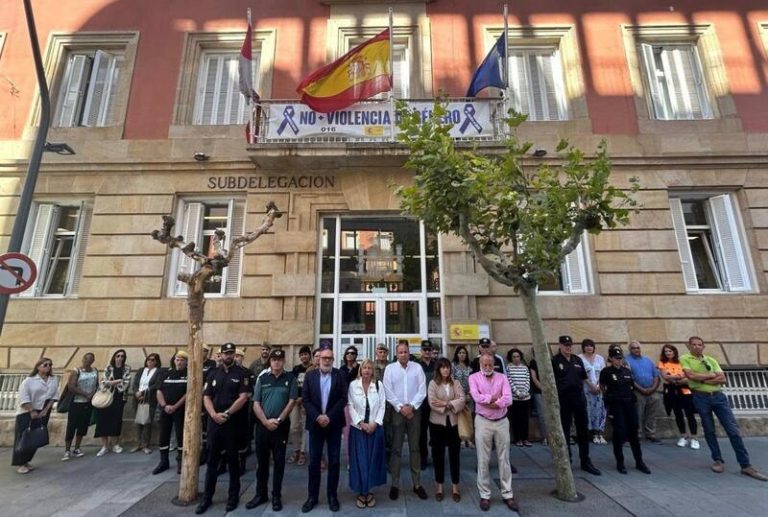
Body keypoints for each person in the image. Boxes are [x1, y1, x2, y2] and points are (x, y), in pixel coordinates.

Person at [680, 336, 767, 481]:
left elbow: (723, 379)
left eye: (699, 344)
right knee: (709, 429)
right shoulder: (685, 358)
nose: (697, 347)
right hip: (701, 397)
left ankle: (745, 465)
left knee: (733, 430)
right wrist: (711, 376)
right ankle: (718, 460)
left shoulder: (711, 360)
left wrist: (701, 377)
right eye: (693, 344)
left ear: (703, 346)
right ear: (689, 346)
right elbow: (690, 376)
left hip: (719, 397)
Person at [196, 343, 251, 514]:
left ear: (235, 355)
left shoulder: (241, 374)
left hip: (231, 423)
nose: (228, 356)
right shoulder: (213, 373)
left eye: (231, 353)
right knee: (212, 461)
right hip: (214, 423)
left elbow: (243, 398)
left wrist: (226, 414)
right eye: (225, 353)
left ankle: (233, 497)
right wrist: (213, 415)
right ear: (220, 355)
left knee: (232, 461)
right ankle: (207, 498)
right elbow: (206, 397)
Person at [246, 349, 298, 512]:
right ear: (270, 362)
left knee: (279, 463)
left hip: (280, 427)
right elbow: (256, 402)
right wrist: (265, 421)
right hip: (262, 426)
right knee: (262, 462)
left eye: (279, 359)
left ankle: (276, 495)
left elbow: (291, 402)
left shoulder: (290, 378)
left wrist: (279, 420)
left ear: (284, 361)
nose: (276, 362)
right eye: (274, 359)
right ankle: (260, 494)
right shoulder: (263, 378)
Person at [302, 345, 348, 513]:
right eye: (324, 358)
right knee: (314, 462)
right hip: (315, 425)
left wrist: (328, 416)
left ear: (333, 360)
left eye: (330, 358)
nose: (327, 361)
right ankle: (312, 497)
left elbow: (343, 398)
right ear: (319, 359)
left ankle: (332, 496)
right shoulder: (310, 376)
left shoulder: (340, 375)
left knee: (334, 462)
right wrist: (318, 416)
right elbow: (305, 399)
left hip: (334, 424)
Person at [469, 353, 517, 512]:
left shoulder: (502, 378)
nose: (488, 368)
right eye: (485, 365)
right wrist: (494, 398)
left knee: (504, 458)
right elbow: (476, 397)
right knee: (483, 459)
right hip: (483, 421)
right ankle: (485, 495)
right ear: (480, 364)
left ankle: (508, 493)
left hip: (502, 421)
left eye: (490, 365)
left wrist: (490, 402)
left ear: (494, 364)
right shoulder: (474, 378)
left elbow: (508, 399)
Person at [383, 341, 428, 501]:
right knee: (396, 448)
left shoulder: (417, 368)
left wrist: (412, 407)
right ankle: (395, 484)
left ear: (409, 353)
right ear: (396, 354)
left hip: (414, 412)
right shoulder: (390, 369)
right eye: (400, 352)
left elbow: (422, 390)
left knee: (415, 448)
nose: (403, 354)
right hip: (397, 412)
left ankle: (417, 484)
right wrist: (401, 407)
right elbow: (387, 391)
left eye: (405, 352)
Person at [552, 336, 601, 475]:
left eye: (570, 345)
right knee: (565, 431)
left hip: (579, 399)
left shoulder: (577, 359)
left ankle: (585, 460)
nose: (568, 347)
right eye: (566, 345)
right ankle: (566, 460)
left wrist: (593, 386)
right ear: (560, 345)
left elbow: (584, 377)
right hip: (564, 400)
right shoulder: (555, 361)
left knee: (583, 430)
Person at [599, 347, 651, 474]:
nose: (619, 360)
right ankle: (620, 462)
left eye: (620, 358)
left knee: (634, 432)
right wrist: (608, 402)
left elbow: (631, 386)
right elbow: (602, 387)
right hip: (616, 405)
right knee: (619, 432)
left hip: (629, 404)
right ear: (611, 359)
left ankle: (639, 461)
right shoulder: (606, 372)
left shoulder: (626, 371)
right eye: (616, 358)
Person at [347, 359, 387, 508]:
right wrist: (360, 423)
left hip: (375, 428)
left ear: (373, 371)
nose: (367, 370)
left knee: (372, 460)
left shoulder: (378, 385)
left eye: (370, 368)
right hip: (358, 429)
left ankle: (369, 491)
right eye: (364, 368)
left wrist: (375, 423)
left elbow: (383, 404)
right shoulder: (353, 385)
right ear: (360, 370)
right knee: (360, 461)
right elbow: (350, 405)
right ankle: (361, 491)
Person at [12, 357, 58, 474]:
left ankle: (27, 460)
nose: (48, 367)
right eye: (45, 365)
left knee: (35, 438)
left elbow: (54, 396)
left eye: (50, 365)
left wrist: (46, 410)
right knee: (23, 437)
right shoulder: (29, 381)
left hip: (43, 412)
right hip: (26, 412)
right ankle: (20, 463)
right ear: (38, 367)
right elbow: (24, 397)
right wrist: (32, 411)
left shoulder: (53, 379)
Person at [428, 357, 465, 503]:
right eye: (443, 367)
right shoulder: (432, 383)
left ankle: (455, 487)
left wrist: (445, 403)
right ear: (438, 369)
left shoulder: (455, 382)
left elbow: (462, 400)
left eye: (448, 367)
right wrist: (450, 404)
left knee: (454, 455)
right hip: (437, 424)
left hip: (454, 424)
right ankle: (439, 486)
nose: (446, 369)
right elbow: (432, 402)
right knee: (438, 456)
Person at [152, 350, 188, 475]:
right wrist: (164, 405)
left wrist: (176, 406)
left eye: (182, 360)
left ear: (186, 362)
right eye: (177, 359)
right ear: (174, 361)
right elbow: (159, 391)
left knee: (180, 435)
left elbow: (188, 393)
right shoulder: (165, 373)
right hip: (165, 409)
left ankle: (180, 461)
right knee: (163, 435)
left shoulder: (188, 374)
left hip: (180, 410)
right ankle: (163, 461)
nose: (179, 362)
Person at [658, 344, 699, 449]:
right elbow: (666, 377)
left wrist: (675, 378)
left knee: (690, 414)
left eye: (670, 351)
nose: (668, 353)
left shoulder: (682, 361)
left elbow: (688, 377)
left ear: (674, 352)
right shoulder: (662, 362)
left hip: (685, 390)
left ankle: (694, 438)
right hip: (672, 391)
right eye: (666, 351)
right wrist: (678, 377)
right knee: (678, 414)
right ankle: (683, 436)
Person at [94, 349, 131, 457]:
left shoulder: (126, 368)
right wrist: (116, 381)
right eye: (118, 356)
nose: (120, 358)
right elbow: (102, 383)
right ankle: (105, 446)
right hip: (105, 398)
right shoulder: (108, 368)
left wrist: (111, 382)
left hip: (119, 399)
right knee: (102, 421)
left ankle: (115, 444)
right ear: (114, 357)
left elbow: (126, 383)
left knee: (116, 421)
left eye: (122, 356)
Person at [62, 352, 99, 461]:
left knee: (82, 426)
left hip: (88, 403)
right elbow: (71, 387)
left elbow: (96, 385)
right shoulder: (76, 371)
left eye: (91, 359)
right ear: (83, 359)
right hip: (77, 402)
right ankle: (67, 450)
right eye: (87, 358)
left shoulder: (94, 371)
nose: (89, 361)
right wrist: (85, 394)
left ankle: (77, 448)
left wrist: (92, 394)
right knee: (72, 426)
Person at [625, 341, 662, 443]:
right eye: (634, 348)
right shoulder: (626, 361)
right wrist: (641, 389)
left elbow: (656, 376)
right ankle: (637, 434)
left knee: (652, 414)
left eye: (638, 348)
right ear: (630, 349)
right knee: (637, 413)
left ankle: (651, 434)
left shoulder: (647, 360)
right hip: (637, 391)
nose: (636, 350)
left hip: (652, 391)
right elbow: (629, 378)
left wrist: (653, 388)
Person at [131, 353, 161, 454]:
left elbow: (156, 385)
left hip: (149, 399)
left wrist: (143, 393)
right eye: (148, 359)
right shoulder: (141, 370)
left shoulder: (158, 371)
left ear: (156, 361)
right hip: (137, 399)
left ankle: (145, 445)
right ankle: (138, 444)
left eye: (152, 360)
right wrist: (136, 393)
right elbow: (135, 383)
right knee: (138, 422)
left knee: (147, 422)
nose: (150, 362)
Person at [579, 339, 607, 445]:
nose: (589, 347)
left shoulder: (600, 358)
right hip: (586, 389)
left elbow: (604, 373)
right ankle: (591, 434)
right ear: (583, 347)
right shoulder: (579, 358)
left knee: (600, 411)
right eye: (586, 346)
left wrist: (599, 385)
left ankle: (599, 433)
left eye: (591, 345)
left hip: (599, 389)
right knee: (588, 411)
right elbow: (581, 374)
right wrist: (591, 385)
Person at [288, 345, 312, 467]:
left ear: (309, 355)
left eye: (305, 354)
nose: (303, 357)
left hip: (307, 402)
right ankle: (296, 449)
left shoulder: (313, 369)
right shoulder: (296, 369)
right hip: (295, 402)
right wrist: (295, 398)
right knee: (294, 427)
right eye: (301, 355)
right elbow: (292, 385)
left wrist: (304, 398)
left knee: (305, 427)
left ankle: (302, 452)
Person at [506, 348, 532, 447]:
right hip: (515, 398)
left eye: (518, 356)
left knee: (525, 419)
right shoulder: (508, 367)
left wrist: (524, 392)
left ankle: (525, 438)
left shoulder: (525, 368)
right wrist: (517, 392)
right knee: (516, 419)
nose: (516, 358)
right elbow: (509, 381)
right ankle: (518, 439)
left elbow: (527, 381)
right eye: (514, 357)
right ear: (511, 358)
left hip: (525, 398)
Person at [418, 339, 436, 470]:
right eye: (425, 350)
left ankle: (436, 457)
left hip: (435, 402)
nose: (427, 352)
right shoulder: (417, 365)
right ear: (421, 351)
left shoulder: (437, 365)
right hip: (422, 403)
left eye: (429, 350)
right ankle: (423, 458)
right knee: (422, 433)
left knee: (435, 432)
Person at [451, 345, 473, 448]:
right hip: (458, 397)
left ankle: (469, 439)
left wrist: (469, 394)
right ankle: (462, 440)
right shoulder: (453, 366)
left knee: (468, 418)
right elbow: (452, 381)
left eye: (463, 353)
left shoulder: (469, 366)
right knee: (459, 419)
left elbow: (473, 382)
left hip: (469, 396)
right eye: (460, 353)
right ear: (456, 354)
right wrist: (458, 395)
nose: (462, 355)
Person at [527, 348, 547, 444]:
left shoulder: (549, 361)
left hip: (551, 392)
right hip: (539, 392)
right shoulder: (533, 362)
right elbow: (534, 378)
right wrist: (543, 389)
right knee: (542, 415)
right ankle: (545, 436)